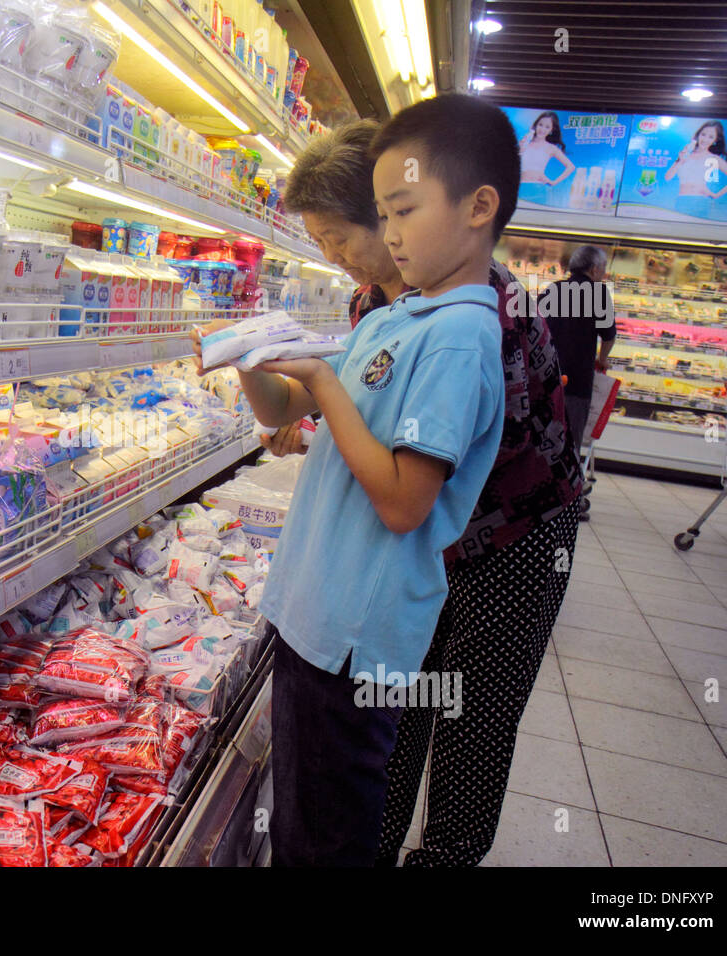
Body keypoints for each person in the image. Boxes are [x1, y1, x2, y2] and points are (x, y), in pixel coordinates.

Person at [193, 94, 515, 866]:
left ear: (479, 208)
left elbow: (406, 502)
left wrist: (327, 388)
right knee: (302, 816)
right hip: (311, 615)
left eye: (403, 212)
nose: (389, 235)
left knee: (331, 834)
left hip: (356, 640)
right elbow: (289, 407)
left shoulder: (461, 338)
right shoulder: (388, 320)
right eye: (384, 215)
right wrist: (249, 357)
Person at [259, 114, 583, 868]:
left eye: (344, 237)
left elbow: (418, 476)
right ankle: (368, 843)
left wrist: (327, 399)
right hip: (419, 542)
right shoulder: (383, 303)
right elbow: (378, 423)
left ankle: (441, 858)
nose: (337, 258)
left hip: (513, 536)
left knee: (471, 715)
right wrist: (311, 415)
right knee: (393, 718)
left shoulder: (476, 320)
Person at [539, 244, 615, 458]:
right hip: (577, 380)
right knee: (571, 438)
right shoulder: (598, 295)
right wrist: (602, 359)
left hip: (547, 377)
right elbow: (608, 336)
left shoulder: (552, 289)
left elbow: (535, 325)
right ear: (593, 269)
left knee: (543, 435)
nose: (604, 273)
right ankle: (566, 486)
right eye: (603, 268)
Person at [664, 120, 727, 219]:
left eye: (711, 137)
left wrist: (716, 195)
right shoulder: (686, 153)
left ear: (715, 140)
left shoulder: (714, 158)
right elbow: (667, 177)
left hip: (701, 202)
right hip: (682, 200)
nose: (705, 139)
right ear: (698, 135)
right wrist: (680, 161)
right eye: (703, 134)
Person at [518, 110, 575, 205]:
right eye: (540, 125)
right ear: (536, 125)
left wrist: (553, 182)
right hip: (521, 187)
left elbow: (570, 167)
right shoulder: (525, 142)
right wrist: (519, 149)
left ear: (551, 130)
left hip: (538, 190)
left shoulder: (551, 148)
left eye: (547, 127)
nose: (542, 129)